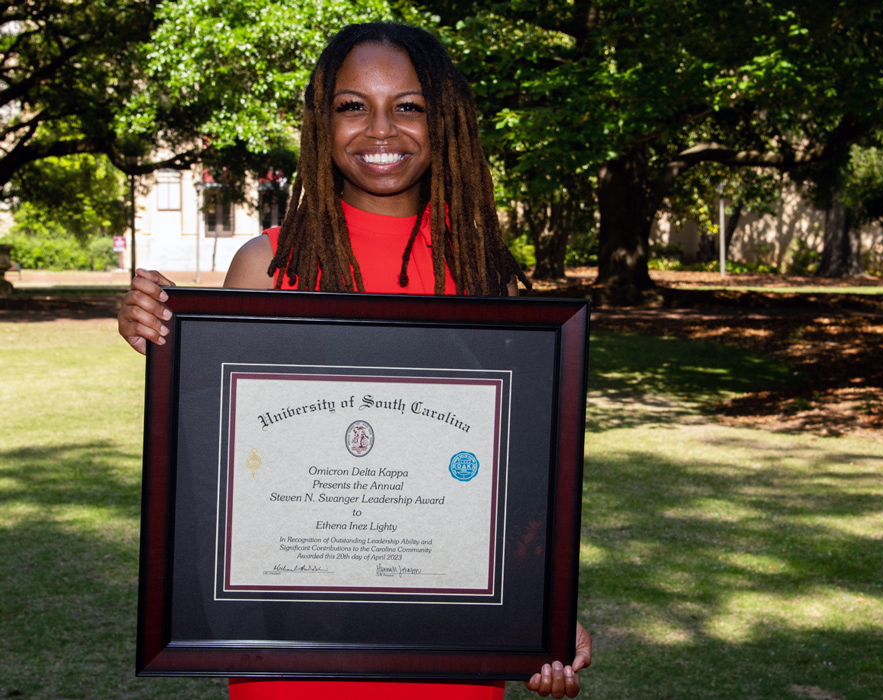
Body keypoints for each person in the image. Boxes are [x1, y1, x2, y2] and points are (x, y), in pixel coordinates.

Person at [118, 21, 591, 700]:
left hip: (447, 654)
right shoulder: (267, 265)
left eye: (408, 106)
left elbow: (517, 485)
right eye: (352, 106)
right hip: (292, 654)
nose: (380, 130)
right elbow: (227, 457)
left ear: (443, 121)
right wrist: (161, 333)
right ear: (321, 121)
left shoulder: (486, 277)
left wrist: (545, 613)